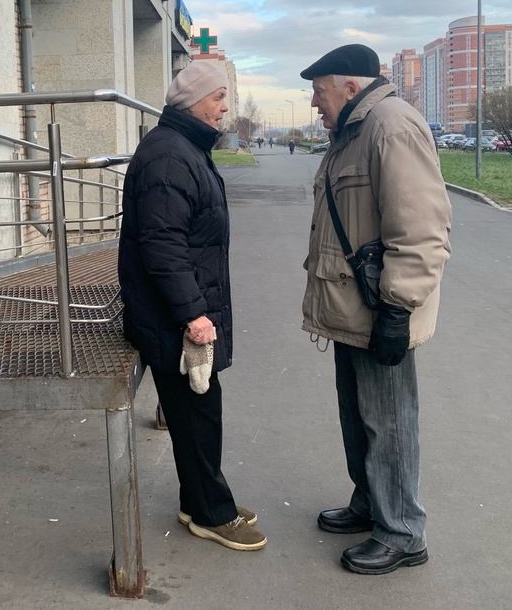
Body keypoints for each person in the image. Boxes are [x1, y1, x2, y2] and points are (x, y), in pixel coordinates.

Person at [300, 44, 451, 575]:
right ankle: (371, 503)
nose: (314, 103)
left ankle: (403, 531)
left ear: (347, 85)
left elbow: (422, 230)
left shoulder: (390, 126)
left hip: (379, 308)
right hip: (351, 307)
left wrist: (397, 309)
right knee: (358, 415)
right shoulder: (354, 133)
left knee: (389, 422)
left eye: (318, 92)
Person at [118, 59, 267, 552]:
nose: (226, 107)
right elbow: (162, 245)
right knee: (197, 414)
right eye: (218, 97)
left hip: (177, 313)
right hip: (174, 320)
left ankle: (197, 499)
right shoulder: (170, 157)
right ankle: (211, 513)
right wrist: (193, 313)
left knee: (197, 411)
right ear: (192, 102)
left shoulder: (182, 148)